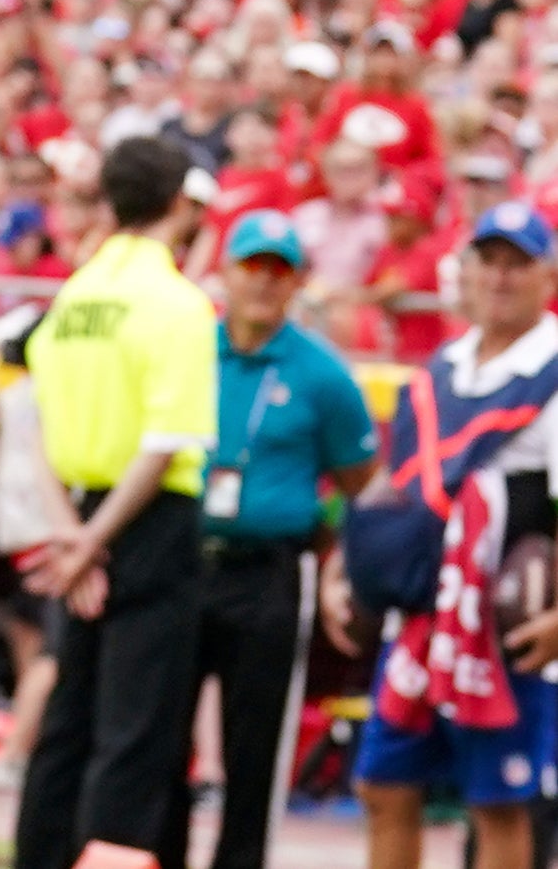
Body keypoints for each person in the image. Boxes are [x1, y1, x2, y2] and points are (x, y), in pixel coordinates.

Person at [15, 137, 219, 869]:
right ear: (179, 204)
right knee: (136, 730)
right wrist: (96, 539)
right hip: (147, 517)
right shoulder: (178, 303)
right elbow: (166, 440)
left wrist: (71, 534)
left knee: (68, 722)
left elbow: (33, 423)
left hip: (77, 509)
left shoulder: (72, 295)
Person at [157, 212, 373, 869]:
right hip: (183, 560)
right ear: (225, 269)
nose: (262, 281)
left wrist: (335, 559)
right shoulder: (189, 346)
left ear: (298, 280)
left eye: (278, 269)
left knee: (255, 747)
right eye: (252, 264)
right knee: (161, 732)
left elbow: (362, 478)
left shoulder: (322, 374)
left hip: (269, 570)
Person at [358, 202, 558, 869]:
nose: (500, 278)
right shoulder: (442, 367)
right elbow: (396, 481)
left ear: (546, 274)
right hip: (419, 613)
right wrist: (346, 571)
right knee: (384, 784)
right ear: (467, 270)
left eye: (517, 263)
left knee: (497, 802)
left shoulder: (552, 369)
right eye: (488, 260)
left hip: (501, 625)